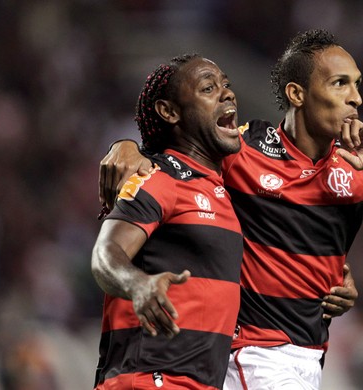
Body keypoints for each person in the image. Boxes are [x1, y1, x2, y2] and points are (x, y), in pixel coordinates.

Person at [99, 29, 363, 389]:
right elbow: (182, 152)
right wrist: (129, 147)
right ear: (297, 93)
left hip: (309, 355)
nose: (356, 98)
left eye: (357, 83)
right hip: (253, 354)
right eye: (340, 83)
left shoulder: (360, 168)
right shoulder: (243, 150)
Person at [91, 53, 244, 389]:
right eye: (208, 88)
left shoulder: (218, 188)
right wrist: (138, 284)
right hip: (149, 380)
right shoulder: (160, 177)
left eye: (227, 86)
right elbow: (106, 251)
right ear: (170, 112)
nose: (227, 94)